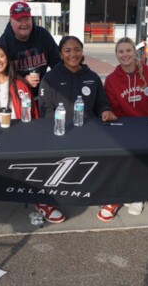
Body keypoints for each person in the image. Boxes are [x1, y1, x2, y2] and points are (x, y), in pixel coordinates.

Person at [39, 35, 117, 223]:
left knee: (114, 154)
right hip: (60, 133)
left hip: (90, 133)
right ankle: (43, 202)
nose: (73, 54)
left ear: (82, 52)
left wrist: (106, 111)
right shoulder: (50, 78)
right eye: (68, 50)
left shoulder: (92, 77)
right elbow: (45, 111)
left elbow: (102, 103)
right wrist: (62, 130)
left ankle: (111, 198)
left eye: (77, 50)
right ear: (60, 54)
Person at [102, 37, 148, 220]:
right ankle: (132, 193)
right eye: (121, 51)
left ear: (135, 52)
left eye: (128, 50)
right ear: (116, 55)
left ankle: (141, 194)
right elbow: (114, 108)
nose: (125, 55)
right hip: (127, 128)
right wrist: (129, 126)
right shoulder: (111, 80)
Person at [0, 1, 61, 98]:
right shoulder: (3, 43)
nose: (24, 24)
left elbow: (57, 63)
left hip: (43, 94)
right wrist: (22, 81)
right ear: (10, 21)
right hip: (15, 95)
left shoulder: (43, 35)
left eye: (27, 19)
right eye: (19, 20)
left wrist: (48, 81)